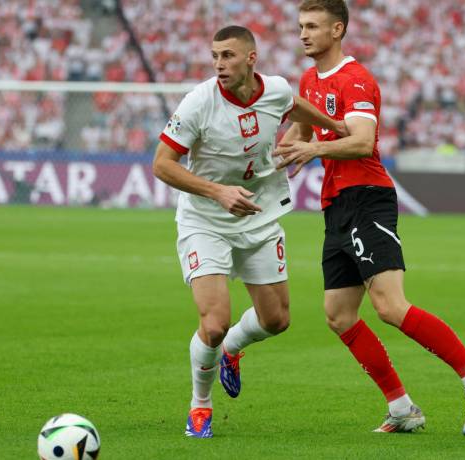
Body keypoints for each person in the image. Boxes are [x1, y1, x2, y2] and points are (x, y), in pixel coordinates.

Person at [275, 0, 465, 436]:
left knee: (390, 306)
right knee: (339, 314)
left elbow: (363, 142)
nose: (303, 34)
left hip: (367, 196)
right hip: (336, 204)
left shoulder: (356, 80)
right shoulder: (308, 78)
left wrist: (315, 150)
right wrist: (265, 160)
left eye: (313, 26)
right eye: (300, 26)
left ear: (337, 29)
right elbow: (299, 135)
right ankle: (401, 407)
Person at [153, 25, 347, 438]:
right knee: (214, 321)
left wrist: (334, 126)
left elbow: (295, 107)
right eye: (215, 56)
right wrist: (218, 192)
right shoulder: (198, 103)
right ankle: (200, 406)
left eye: (228, 56)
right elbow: (162, 165)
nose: (220, 64)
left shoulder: (273, 89)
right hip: (204, 219)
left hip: (257, 215)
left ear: (251, 58)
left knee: (277, 320)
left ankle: (231, 351)